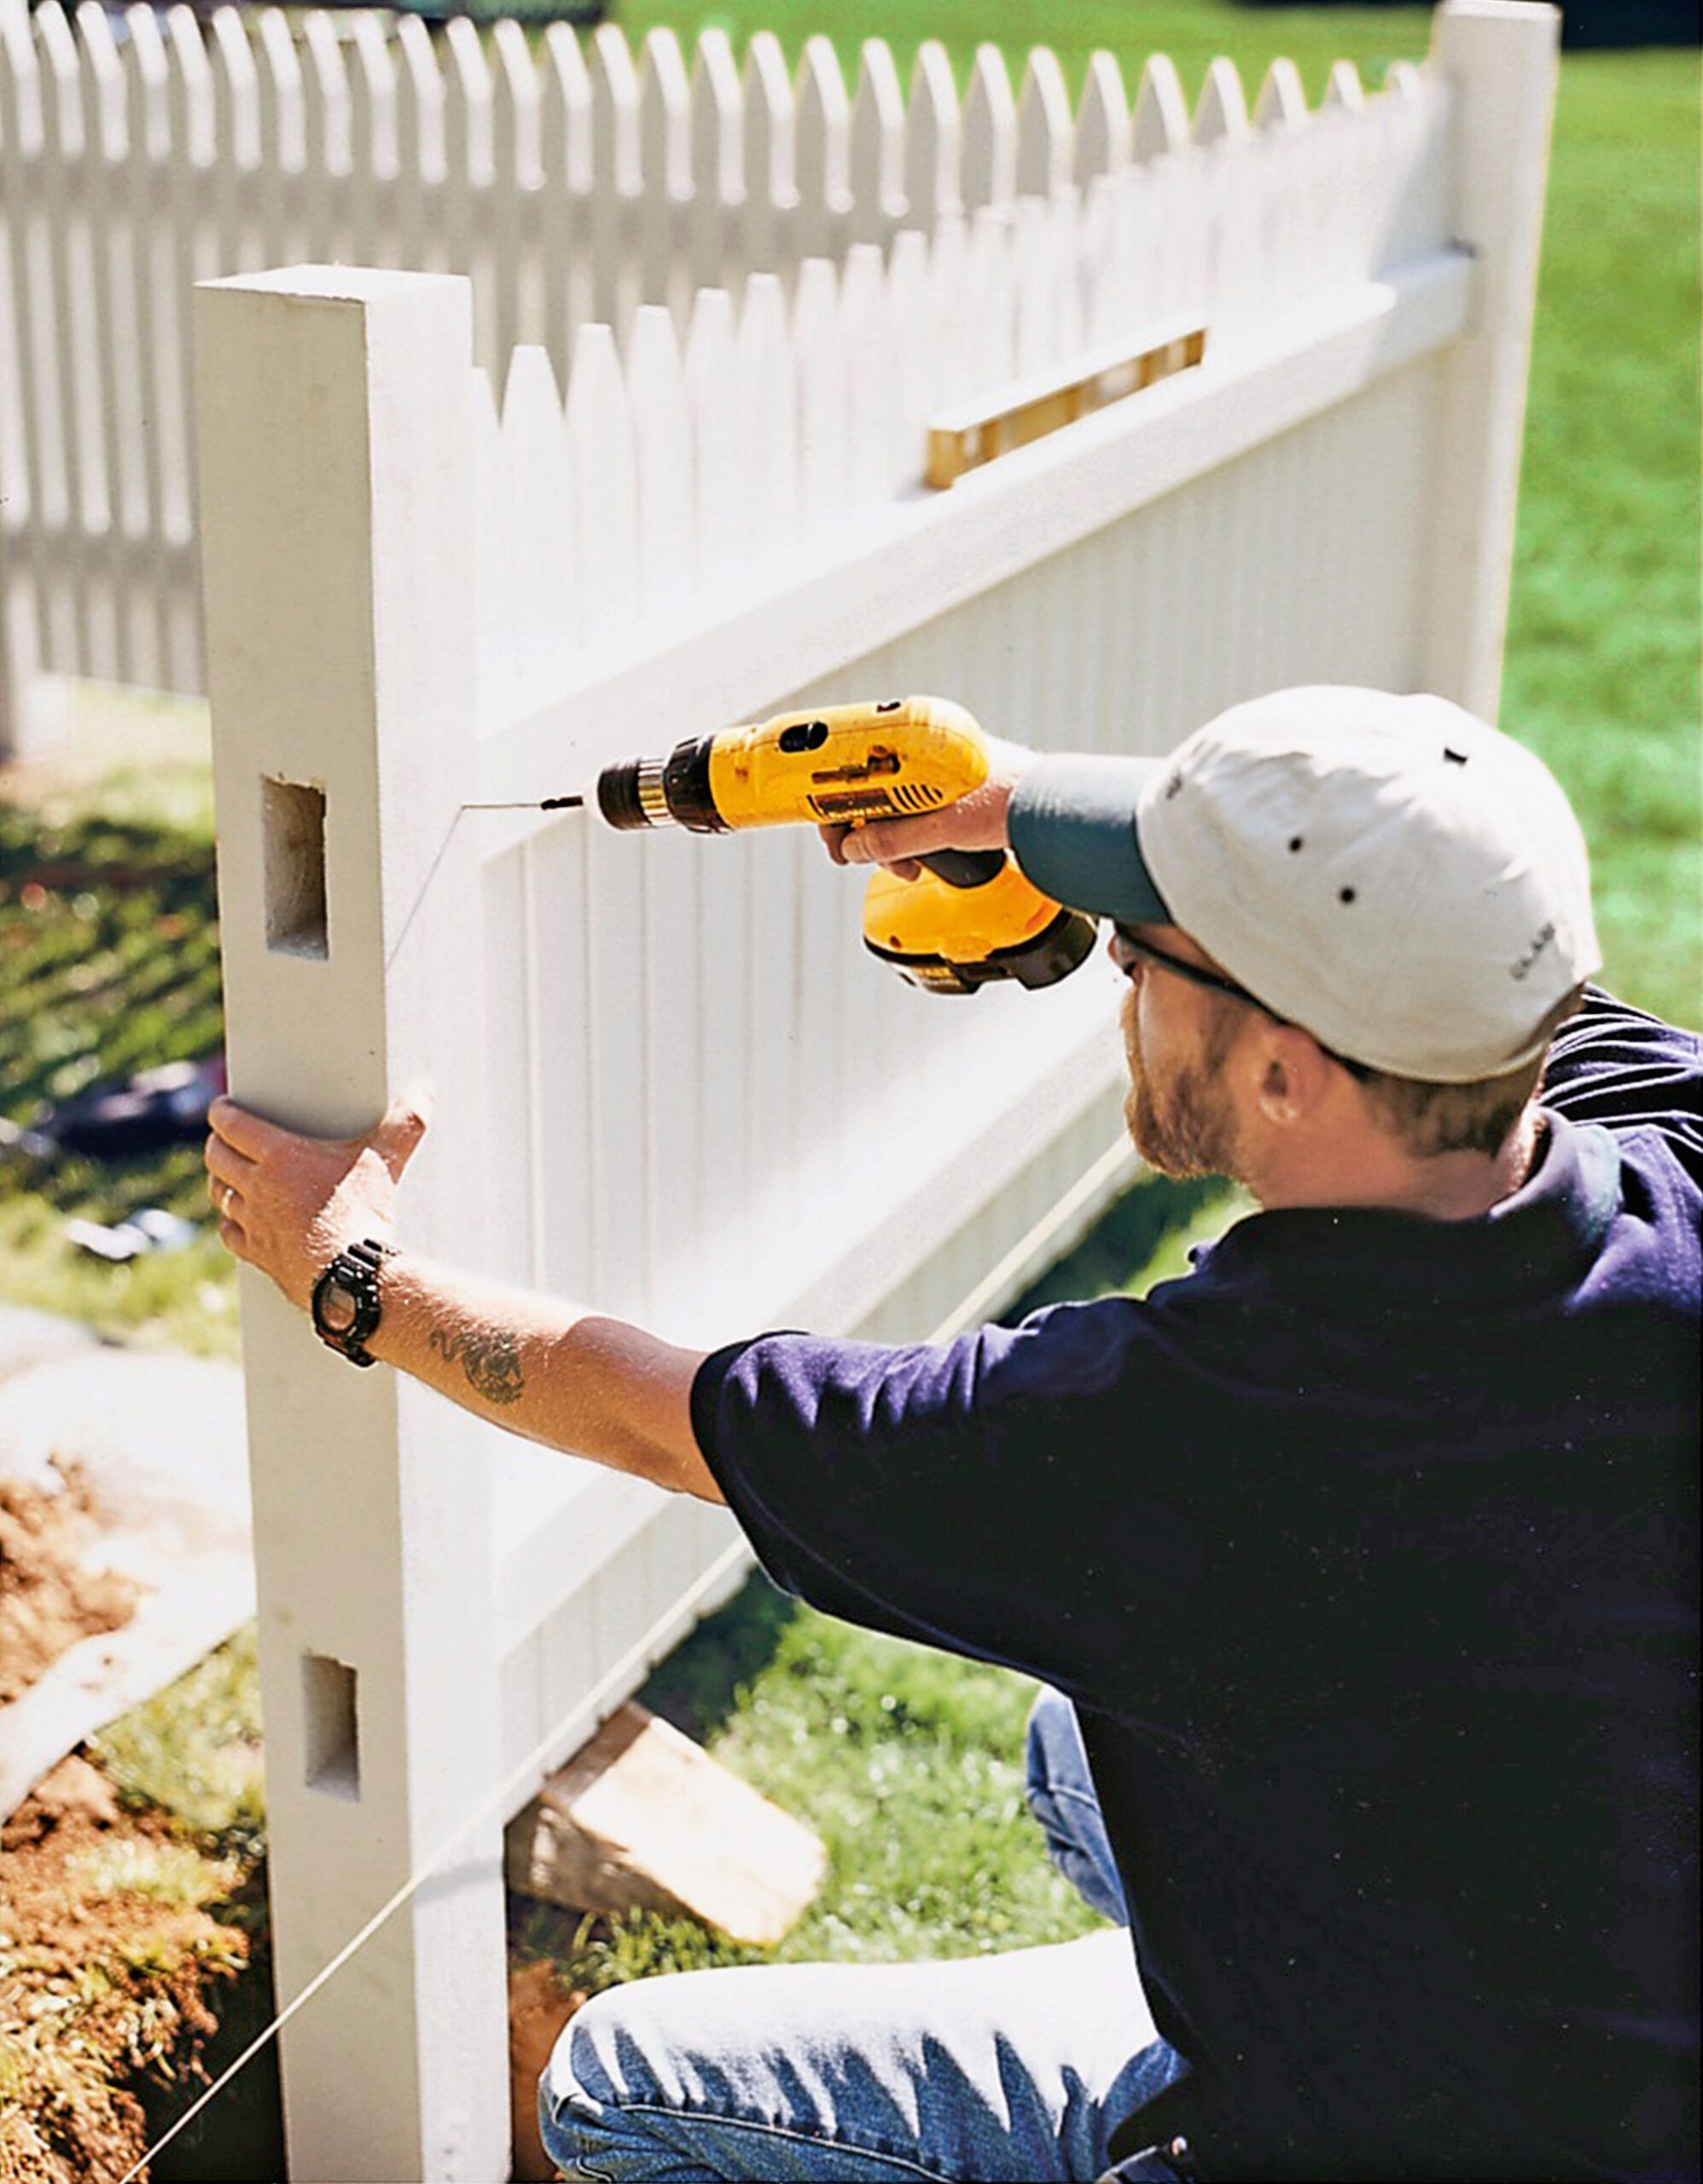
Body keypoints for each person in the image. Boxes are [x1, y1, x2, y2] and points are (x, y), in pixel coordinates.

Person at [204, 687, 1700, 2183]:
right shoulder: (1658, 1163)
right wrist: (1027, 807)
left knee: (619, 2082)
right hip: (1615, 2024)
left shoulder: (1176, 1440)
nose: (1115, 967)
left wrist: (353, 1275)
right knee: (1080, 1748)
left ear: (1284, 1074)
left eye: (1142, 946)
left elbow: (661, 1417)